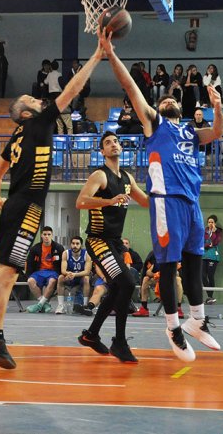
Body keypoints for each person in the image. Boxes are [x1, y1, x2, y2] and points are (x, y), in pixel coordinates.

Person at [0, 36, 102, 370]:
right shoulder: (37, 123)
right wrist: (97, 56)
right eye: (32, 100)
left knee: (4, 275)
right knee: (6, 272)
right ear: (26, 113)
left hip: (15, 204)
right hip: (27, 207)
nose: (39, 100)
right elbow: (70, 92)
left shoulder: (16, 137)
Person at [101, 30, 222, 362]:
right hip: (165, 200)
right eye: (162, 99)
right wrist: (111, 54)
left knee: (194, 265)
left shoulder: (188, 132)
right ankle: (173, 327)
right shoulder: (155, 125)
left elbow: (216, 132)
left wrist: (218, 107)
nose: (166, 99)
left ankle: (197, 320)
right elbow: (130, 88)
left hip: (192, 204)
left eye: (172, 100)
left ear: (180, 109)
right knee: (168, 267)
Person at [74, 131, 149, 363]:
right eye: (108, 143)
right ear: (102, 151)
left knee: (119, 288)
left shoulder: (127, 178)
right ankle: (119, 342)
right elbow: (80, 202)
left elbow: (146, 202)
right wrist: (109, 200)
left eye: (116, 141)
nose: (113, 144)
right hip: (98, 240)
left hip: (115, 242)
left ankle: (91, 334)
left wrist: (167, 196)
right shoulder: (99, 175)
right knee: (126, 282)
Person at [25, 227, 65, 313]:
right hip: (39, 272)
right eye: (45, 234)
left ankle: (39, 305)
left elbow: (64, 262)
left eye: (49, 234)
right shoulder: (35, 248)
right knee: (30, 281)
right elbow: (29, 263)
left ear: (52, 235)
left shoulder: (59, 248)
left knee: (52, 281)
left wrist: (62, 274)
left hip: (53, 272)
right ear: (41, 236)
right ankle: (44, 304)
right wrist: (28, 275)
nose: (46, 236)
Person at [202, 214, 223, 304]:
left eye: (212, 222)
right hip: (204, 255)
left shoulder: (219, 231)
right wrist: (207, 245)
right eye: (209, 222)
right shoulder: (204, 231)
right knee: (202, 275)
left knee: (210, 275)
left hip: (213, 256)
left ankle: (210, 296)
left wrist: (214, 232)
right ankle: (209, 296)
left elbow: (215, 242)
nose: (210, 224)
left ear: (215, 223)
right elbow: (201, 242)